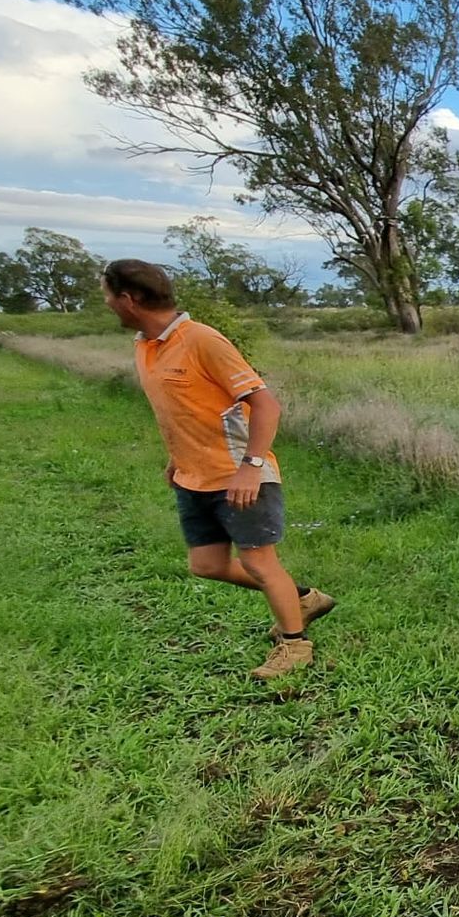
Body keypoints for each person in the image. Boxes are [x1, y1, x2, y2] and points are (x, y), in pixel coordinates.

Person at [102, 259, 334, 680]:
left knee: (261, 563)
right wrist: (177, 457)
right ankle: (301, 598)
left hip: (240, 475)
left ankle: (295, 647)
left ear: (128, 299)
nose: (106, 304)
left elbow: (266, 405)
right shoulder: (145, 345)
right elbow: (187, 410)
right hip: (194, 475)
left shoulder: (202, 340)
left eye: (107, 295)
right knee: (205, 565)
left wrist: (251, 466)